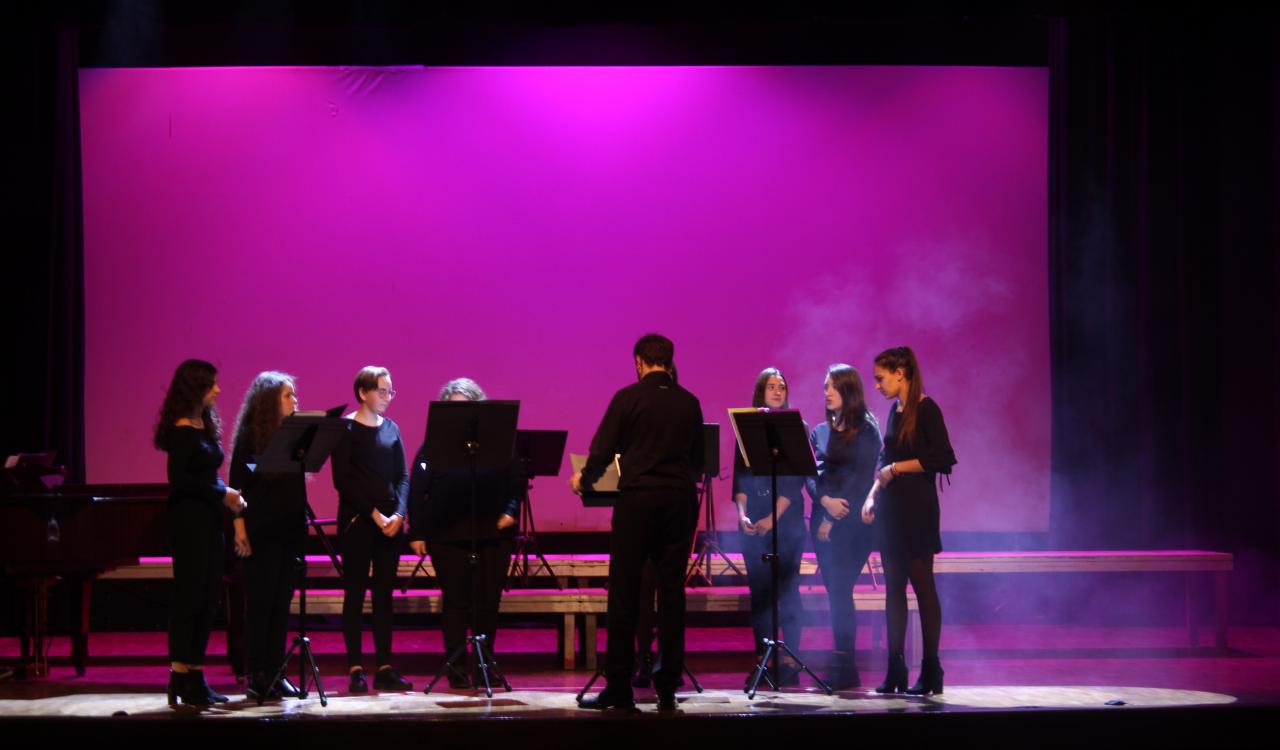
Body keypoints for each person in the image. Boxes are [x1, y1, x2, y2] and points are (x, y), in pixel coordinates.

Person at [572, 333, 704, 712]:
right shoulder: (690, 402)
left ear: (638, 361)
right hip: (679, 502)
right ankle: (667, 687)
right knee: (673, 593)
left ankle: (620, 686)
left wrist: (585, 478)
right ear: (669, 361)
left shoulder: (627, 398)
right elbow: (697, 460)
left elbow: (601, 449)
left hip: (638, 501)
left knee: (626, 591)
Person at [408, 378, 523, 689]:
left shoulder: (500, 443)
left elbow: (517, 480)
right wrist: (416, 531)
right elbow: (418, 489)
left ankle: (486, 663)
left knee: (488, 602)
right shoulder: (432, 445)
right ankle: (456, 666)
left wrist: (510, 511)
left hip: (492, 532)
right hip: (447, 532)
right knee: (456, 602)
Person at [862, 347, 955, 695]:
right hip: (892, 510)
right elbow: (885, 458)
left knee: (922, 586)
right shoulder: (894, 410)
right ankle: (895, 668)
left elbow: (941, 457)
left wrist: (896, 469)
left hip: (917, 509)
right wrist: (872, 494)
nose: (877, 385)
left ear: (900, 372)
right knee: (893, 590)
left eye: (880, 378)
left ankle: (931, 668)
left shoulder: (926, 408)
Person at [154, 358, 246, 707]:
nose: (218, 390)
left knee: (208, 597)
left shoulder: (201, 424)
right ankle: (180, 674)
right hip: (189, 522)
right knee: (190, 596)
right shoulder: (181, 431)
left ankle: (195, 673)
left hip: (208, 520)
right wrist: (223, 493)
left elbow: (207, 476)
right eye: (212, 385)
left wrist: (227, 496)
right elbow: (183, 480)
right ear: (195, 388)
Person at [331, 365, 412, 693]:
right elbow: (344, 481)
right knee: (355, 594)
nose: (387, 397)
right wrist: (375, 514)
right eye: (381, 390)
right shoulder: (345, 429)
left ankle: (385, 666)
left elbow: (403, 477)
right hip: (358, 523)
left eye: (390, 391)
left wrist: (399, 515)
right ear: (363, 392)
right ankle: (355, 667)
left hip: (389, 525)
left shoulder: (392, 429)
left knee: (383, 596)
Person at [229, 371, 304, 700]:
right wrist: (240, 528)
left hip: (288, 531)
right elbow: (236, 486)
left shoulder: (294, 438)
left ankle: (277, 671)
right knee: (261, 605)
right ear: (270, 401)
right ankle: (257, 673)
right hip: (260, 532)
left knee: (281, 606)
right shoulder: (250, 437)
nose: (295, 400)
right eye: (288, 395)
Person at [807, 363, 881, 690]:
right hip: (823, 517)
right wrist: (823, 506)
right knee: (836, 593)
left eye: (831, 386)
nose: (825, 392)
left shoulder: (867, 428)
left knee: (840, 590)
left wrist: (832, 518)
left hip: (851, 524)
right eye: (825, 386)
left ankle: (845, 664)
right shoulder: (820, 431)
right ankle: (841, 661)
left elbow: (862, 478)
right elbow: (811, 476)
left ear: (847, 390)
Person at [732, 367, 806, 684]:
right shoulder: (746, 430)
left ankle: (789, 661)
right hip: (754, 525)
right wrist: (743, 515)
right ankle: (763, 660)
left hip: (787, 523)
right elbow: (739, 479)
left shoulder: (795, 427)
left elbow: (795, 480)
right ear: (760, 392)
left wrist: (771, 520)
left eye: (782, 386)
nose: (777, 391)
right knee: (760, 593)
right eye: (771, 386)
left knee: (788, 592)